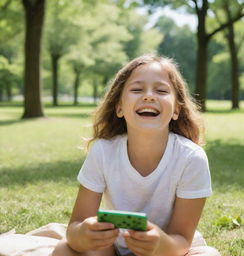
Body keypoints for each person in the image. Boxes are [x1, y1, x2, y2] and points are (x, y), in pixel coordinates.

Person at [51, 54, 220, 256]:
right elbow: (74, 228)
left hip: (169, 251)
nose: (149, 96)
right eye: (137, 89)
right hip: (114, 247)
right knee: (63, 249)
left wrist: (159, 244)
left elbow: (182, 240)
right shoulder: (103, 151)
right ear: (119, 107)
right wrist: (84, 234)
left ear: (176, 109)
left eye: (161, 90)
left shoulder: (192, 158)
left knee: (208, 254)